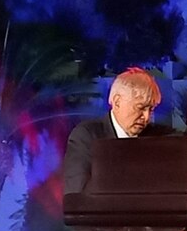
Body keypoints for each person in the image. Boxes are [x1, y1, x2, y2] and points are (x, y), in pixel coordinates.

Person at [63, 67, 171, 195]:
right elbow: (77, 194)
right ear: (117, 102)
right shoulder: (86, 137)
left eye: (151, 109)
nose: (147, 117)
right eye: (140, 108)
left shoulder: (158, 136)